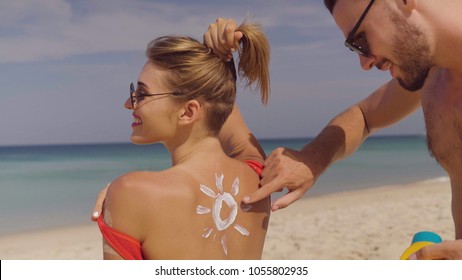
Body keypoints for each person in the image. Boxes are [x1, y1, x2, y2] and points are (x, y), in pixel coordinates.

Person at [202, 0, 462, 259]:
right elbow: (364, 116)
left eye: (361, 41)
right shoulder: (435, 77)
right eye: (353, 48)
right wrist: (312, 159)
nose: (364, 63)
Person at [95, 21, 271, 259]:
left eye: (142, 94)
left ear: (188, 112)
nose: (129, 103)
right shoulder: (258, 177)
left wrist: (119, 199)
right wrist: (220, 62)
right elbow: (222, 107)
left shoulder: (130, 193)